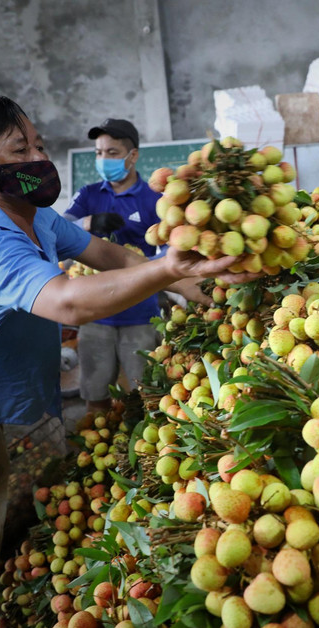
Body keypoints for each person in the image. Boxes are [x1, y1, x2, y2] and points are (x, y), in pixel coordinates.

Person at [0, 96, 254, 628]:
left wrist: (204, 286)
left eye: (38, 144)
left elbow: (111, 256)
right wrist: (163, 270)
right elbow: (70, 301)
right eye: (22, 149)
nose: (40, 156)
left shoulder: (38, 219)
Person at [64, 118, 206, 413]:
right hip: (95, 316)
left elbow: (171, 255)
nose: (103, 160)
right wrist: (88, 223)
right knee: (94, 395)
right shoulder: (88, 195)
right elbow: (57, 234)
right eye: (99, 153)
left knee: (149, 397)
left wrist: (144, 267)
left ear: (133, 156)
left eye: (112, 153)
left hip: (140, 316)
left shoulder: (154, 198)